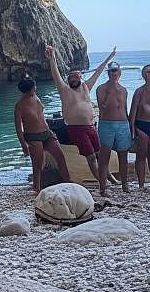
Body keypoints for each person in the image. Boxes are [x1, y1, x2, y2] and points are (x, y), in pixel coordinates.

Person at [46, 42, 116, 186]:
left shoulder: (85, 87)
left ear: (80, 78)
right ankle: (102, 182)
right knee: (91, 157)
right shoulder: (64, 90)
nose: (74, 79)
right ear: (68, 80)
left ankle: (110, 179)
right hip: (75, 129)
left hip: (91, 126)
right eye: (71, 77)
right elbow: (55, 73)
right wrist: (52, 57)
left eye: (76, 77)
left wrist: (110, 57)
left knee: (100, 155)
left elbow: (98, 71)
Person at [13, 77, 71, 192]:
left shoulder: (36, 97)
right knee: (37, 165)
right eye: (34, 86)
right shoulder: (19, 106)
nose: (36, 87)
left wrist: (50, 131)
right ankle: (37, 189)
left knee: (60, 157)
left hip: (46, 133)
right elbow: (19, 129)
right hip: (33, 137)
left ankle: (68, 183)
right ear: (30, 89)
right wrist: (24, 145)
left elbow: (41, 116)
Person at [95, 61, 132, 195]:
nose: (114, 73)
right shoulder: (101, 88)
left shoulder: (124, 90)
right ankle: (103, 187)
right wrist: (111, 90)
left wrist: (130, 126)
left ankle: (125, 185)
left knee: (123, 155)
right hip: (107, 124)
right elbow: (102, 106)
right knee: (104, 156)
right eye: (112, 71)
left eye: (116, 71)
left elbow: (125, 108)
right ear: (108, 73)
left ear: (120, 72)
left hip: (122, 124)